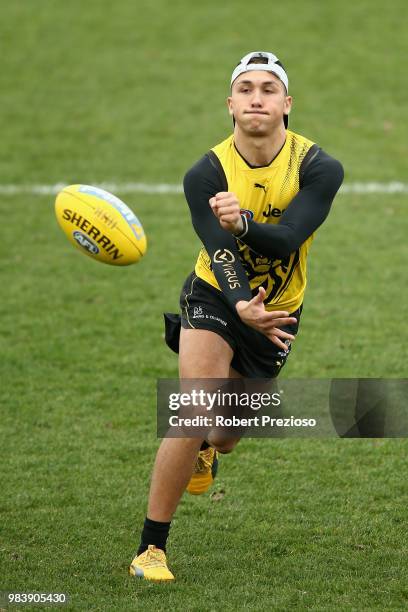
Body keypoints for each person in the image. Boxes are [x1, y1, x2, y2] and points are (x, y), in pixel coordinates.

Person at [129, 51, 344, 581]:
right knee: (195, 407)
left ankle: (210, 447)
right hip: (216, 294)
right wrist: (241, 300)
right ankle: (151, 549)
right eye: (245, 88)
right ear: (230, 104)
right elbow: (216, 246)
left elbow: (290, 236)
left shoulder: (318, 167)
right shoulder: (205, 172)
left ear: (287, 104)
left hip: (278, 313)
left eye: (268, 89)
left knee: (224, 434)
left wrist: (245, 224)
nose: (256, 97)